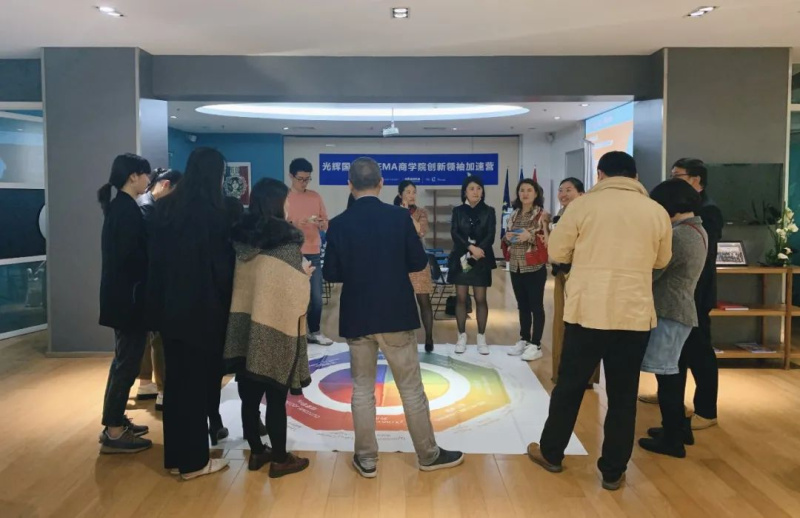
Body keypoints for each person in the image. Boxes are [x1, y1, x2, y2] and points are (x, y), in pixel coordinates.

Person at [526, 151, 672, 491]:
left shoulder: (582, 206)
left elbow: (557, 253)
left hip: (588, 312)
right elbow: (662, 259)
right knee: (623, 394)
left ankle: (551, 452)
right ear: (635, 177)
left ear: (600, 175)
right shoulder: (655, 211)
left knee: (570, 386)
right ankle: (613, 471)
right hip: (633, 314)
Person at [323, 157, 465, 478]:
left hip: (357, 315)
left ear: (349, 185)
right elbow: (417, 263)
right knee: (411, 388)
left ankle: (366, 458)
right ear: (381, 183)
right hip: (395, 313)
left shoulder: (339, 223)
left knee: (362, 390)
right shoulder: (400, 218)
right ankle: (428, 454)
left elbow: (330, 272)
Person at [146, 147, 235, 480]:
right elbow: (223, 270)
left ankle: (176, 458)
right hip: (205, 312)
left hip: (170, 311)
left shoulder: (165, 208)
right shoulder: (216, 213)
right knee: (199, 386)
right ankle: (195, 462)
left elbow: (154, 265)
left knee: (176, 385)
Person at [224, 179, 312, 478]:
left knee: (248, 398)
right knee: (275, 398)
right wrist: (305, 275)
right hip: (276, 328)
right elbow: (295, 295)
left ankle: (257, 452)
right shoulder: (286, 244)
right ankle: (281, 459)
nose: (288, 205)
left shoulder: (240, 241)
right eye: (286, 200)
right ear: (276, 203)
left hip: (244, 326)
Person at [639, 158, 723, 431]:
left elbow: (667, 266)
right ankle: (675, 414)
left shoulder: (703, 216)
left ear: (696, 180)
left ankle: (703, 411)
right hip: (682, 297)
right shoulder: (690, 224)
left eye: (678, 176)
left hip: (691, 297)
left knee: (698, 354)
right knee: (675, 360)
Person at [638, 179, 707, 458]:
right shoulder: (696, 229)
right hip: (679, 310)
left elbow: (655, 271)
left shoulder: (679, 236)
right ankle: (677, 428)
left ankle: (672, 439)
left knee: (668, 377)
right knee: (672, 372)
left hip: (670, 311)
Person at [97, 153, 153, 454]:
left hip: (122, 299)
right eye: (145, 174)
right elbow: (132, 259)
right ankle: (115, 430)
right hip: (128, 301)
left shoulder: (121, 207)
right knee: (127, 365)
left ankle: (114, 421)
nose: (148, 180)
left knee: (123, 362)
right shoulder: (127, 210)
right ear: (133, 176)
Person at [136, 168, 183, 410]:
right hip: (151, 281)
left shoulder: (144, 205)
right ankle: (163, 390)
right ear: (165, 185)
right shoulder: (149, 209)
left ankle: (146, 383)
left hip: (143, 281)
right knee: (159, 337)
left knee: (149, 335)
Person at [550, 178, 599, 385]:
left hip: (582, 277)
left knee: (583, 325)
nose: (563, 194)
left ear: (581, 194)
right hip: (562, 275)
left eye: (568, 190)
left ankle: (583, 377)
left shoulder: (587, 215)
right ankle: (562, 373)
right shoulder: (561, 215)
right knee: (562, 323)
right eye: (560, 190)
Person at [286, 158, 334, 346]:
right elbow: (278, 225)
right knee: (293, 296)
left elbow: (326, 222)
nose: (304, 183)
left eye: (307, 179)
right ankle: (293, 333)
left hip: (313, 250)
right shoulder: (284, 198)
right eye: (301, 179)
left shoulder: (315, 197)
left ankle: (314, 331)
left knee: (316, 297)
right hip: (292, 252)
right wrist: (295, 224)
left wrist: (322, 224)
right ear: (291, 176)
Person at [448, 175, 497, 355]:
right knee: (461, 298)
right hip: (462, 258)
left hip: (481, 259)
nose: (475, 192)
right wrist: (470, 248)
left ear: (482, 191)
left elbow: (491, 235)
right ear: (465, 192)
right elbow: (454, 233)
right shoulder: (458, 211)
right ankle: (461, 335)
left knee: (480, 298)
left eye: (478, 188)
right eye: (471, 189)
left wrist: (478, 250)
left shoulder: (489, 211)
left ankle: (481, 337)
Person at [503, 179, 550, 362]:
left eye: (529, 190)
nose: (525, 194)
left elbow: (547, 240)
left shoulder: (542, 215)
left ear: (536, 193)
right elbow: (508, 238)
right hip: (516, 265)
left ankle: (536, 344)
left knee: (536, 306)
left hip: (534, 266)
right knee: (522, 305)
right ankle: (524, 338)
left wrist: (529, 236)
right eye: (522, 190)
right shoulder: (513, 214)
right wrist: (507, 237)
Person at [394, 180, 435, 352]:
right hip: (398, 261)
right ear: (400, 194)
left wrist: (408, 215)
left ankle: (429, 337)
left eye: (414, 192)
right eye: (408, 192)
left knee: (424, 300)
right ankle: (403, 339)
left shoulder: (421, 212)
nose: (411, 195)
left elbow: (421, 231)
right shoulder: (392, 212)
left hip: (418, 261)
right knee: (401, 301)